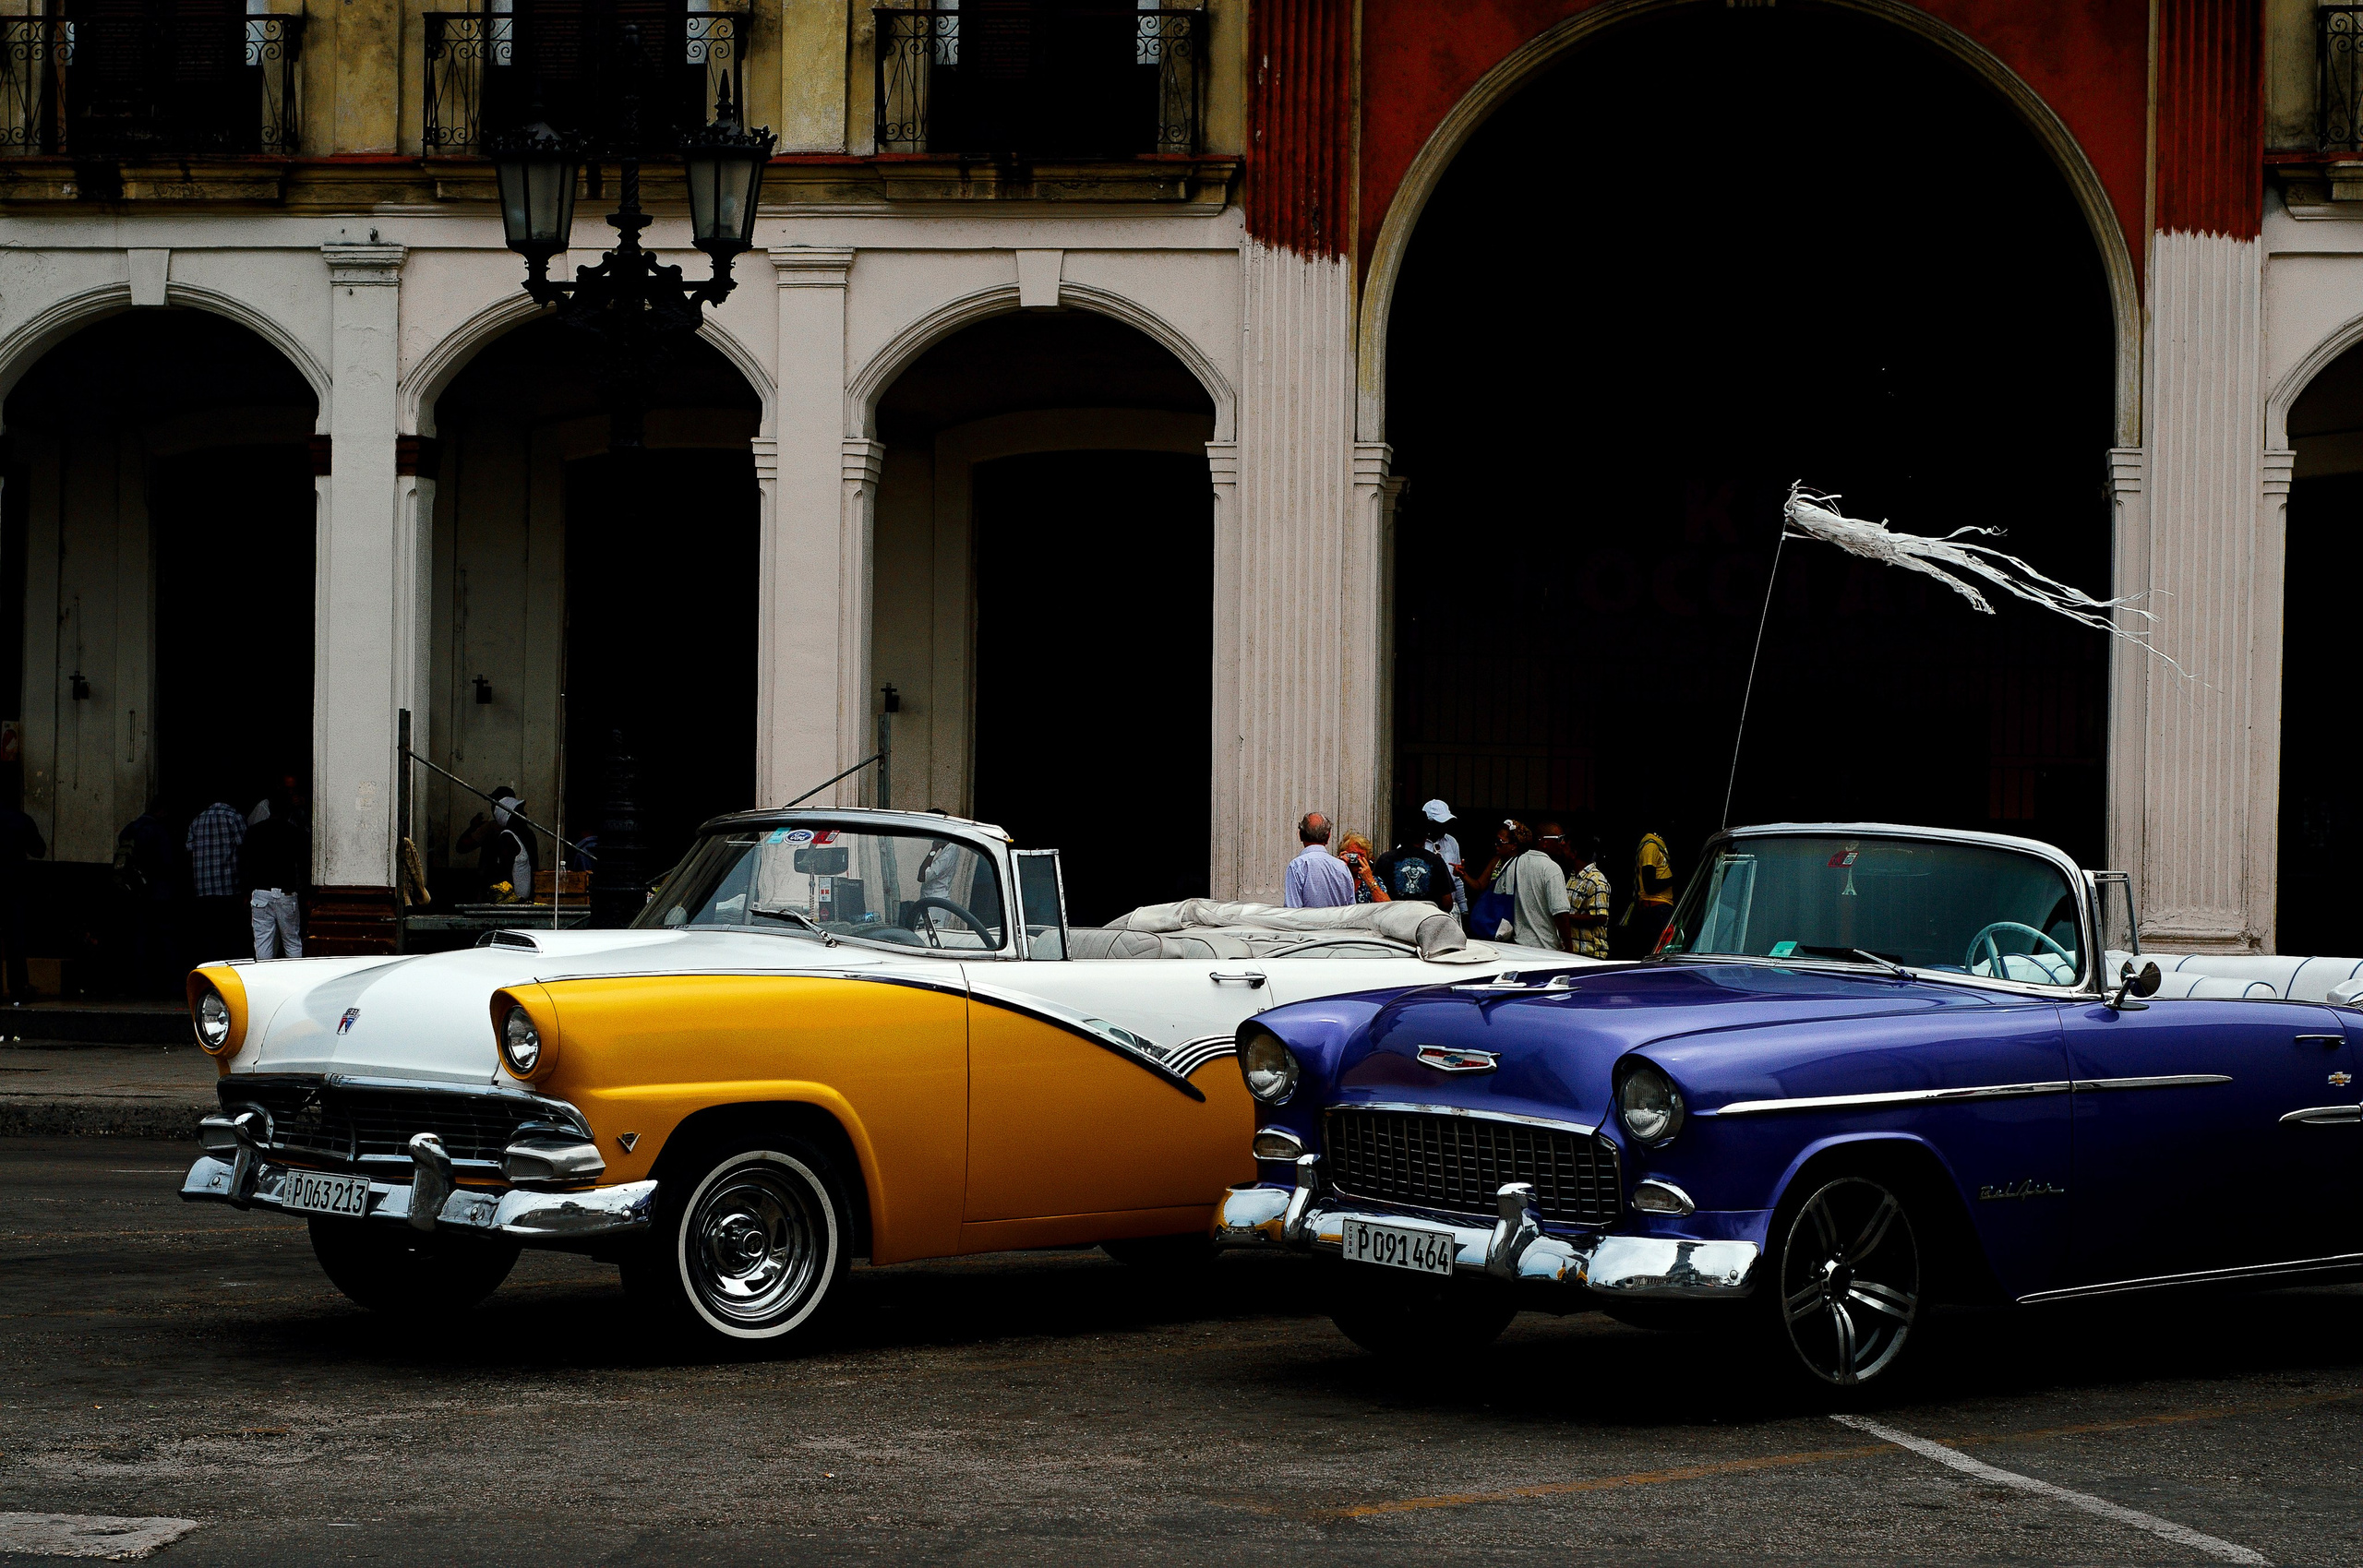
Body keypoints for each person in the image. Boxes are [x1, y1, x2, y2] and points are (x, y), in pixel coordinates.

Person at [116, 797, 183, 995]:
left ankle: (139, 985)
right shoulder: (160, 831)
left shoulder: (130, 829)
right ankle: (171, 986)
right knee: (166, 940)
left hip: (134, 892)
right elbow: (168, 862)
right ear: (162, 811)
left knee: (139, 939)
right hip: (160, 893)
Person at [1475, 820, 1569, 950]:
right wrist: (1569, 948)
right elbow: (1560, 914)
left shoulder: (1513, 864)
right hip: (1547, 948)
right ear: (1544, 842)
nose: (1563, 843)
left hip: (1517, 947)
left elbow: (1499, 898)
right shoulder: (1552, 868)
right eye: (1559, 839)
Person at [239, 786, 308, 959]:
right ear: (287, 810)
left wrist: (246, 891)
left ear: (269, 809)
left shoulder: (254, 832)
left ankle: (265, 980)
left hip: (261, 893)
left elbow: (244, 863)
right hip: (286, 893)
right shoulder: (294, 833)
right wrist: (307, 893)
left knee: (262, 942)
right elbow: (302, 865)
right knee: (292, 941)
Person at [186, 793, 247, 964]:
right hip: (229, 890)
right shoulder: (234, 818)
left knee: (209, 940)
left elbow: (189, 851)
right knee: (232, 939)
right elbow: (245, 852)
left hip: (203, 891)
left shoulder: (197, 821)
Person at [0, 783, 45, 1004]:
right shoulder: (22, 820)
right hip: (13, 886)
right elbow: (39, 850)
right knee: (15, 940)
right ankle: (18, 987)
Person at [1541, 822, 1612, 959]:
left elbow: (1601, 917)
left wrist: (1565, 917)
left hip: (1590, 954)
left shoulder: (1597, 880)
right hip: (1574, 951)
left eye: (1566, 849)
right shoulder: (1572, 878)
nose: (1562, 852)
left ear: (1574, 853)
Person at [457, 787, 537, 902]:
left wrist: (473, 826)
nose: (525, 813)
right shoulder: (524, 833)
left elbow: (462, 846)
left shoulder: (503, 833)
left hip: (510, 896)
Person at [1620, 829, 1677, 957]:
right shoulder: (1650, 845)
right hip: (1656, 910)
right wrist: (1674, 879)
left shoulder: (1658, 843)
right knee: (1658, 955)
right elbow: (1650, 886)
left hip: (1660, 909)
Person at [1283, 812, 1355, 908]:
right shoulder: (1342, 867)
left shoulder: (1297, 866)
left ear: (1300, 835)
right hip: (1336, 922)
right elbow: (1351, 909)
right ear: (1328, 836)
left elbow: (1292, 909)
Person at [1419, 799, 1470, 926]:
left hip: (1450, 910)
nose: (1444, 826)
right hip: (1423, 910)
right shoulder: (1413, 843)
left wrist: (1464, 909)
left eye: (1446, 822)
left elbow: (1457, 880)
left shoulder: (1451, 842)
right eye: (1439, 823)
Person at [1373, 832, 1453, 911]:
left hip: (1393, 919)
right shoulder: (1436, 861)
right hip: (1426, 918)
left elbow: (1375, 895)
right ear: (1425, 838)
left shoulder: (1385, 859)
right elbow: (1447, 904)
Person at [1337, 831, 1390, 904]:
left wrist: (1369, 880)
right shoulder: (1333, 878)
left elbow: (1386, 906)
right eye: (1353, 855)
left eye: (1361, 855)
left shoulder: (1375, 881)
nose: (1358, 859)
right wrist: (1337, 866)